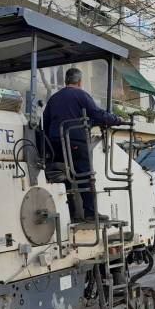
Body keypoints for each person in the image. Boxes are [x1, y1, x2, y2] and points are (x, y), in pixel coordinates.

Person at [42, 68, 123, 222]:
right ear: (80, 81)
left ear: (66, 81)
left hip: (55, 144)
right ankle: (90, 213)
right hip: (76, 142)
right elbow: (97, 113)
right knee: (85, 176)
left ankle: (71, 213)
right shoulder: (81, 95)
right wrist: (116, 119)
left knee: (66, 177)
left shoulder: (53, 98)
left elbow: (45, 122)